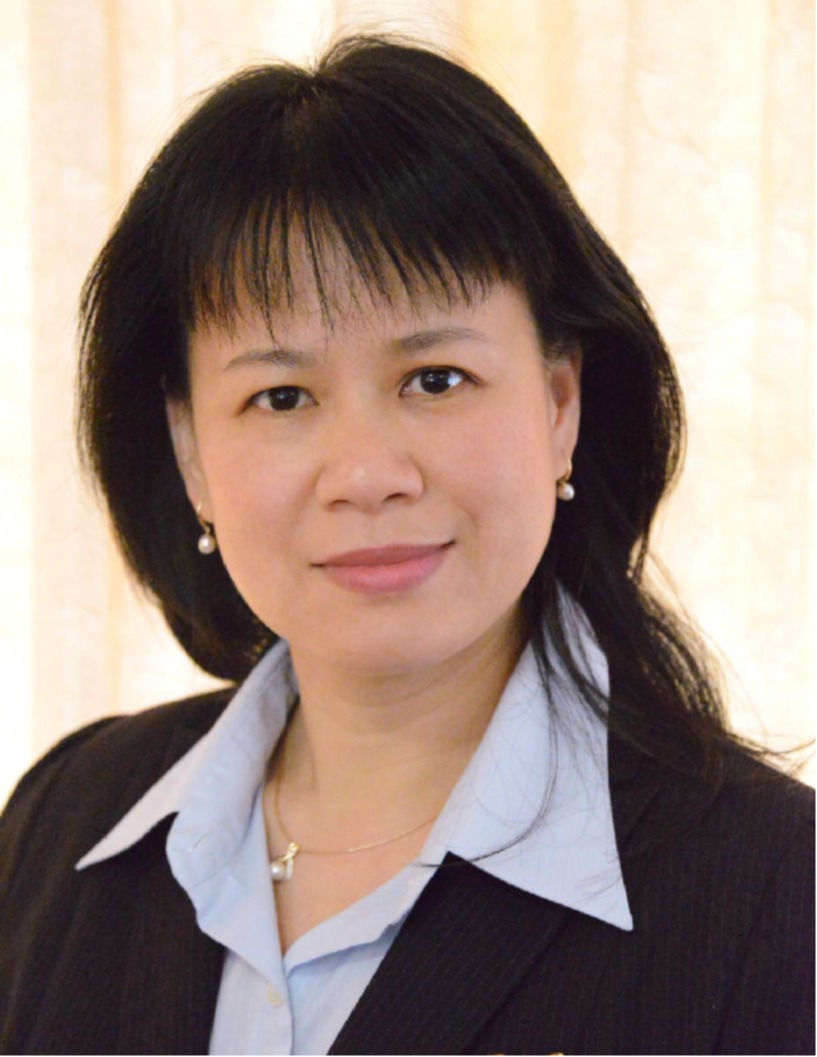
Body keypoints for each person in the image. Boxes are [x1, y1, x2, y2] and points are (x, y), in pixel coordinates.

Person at [0, 34, 812, 1057]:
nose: (366, 473)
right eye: (280, 396)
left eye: (434, 379)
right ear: (191, 451)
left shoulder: (777, 895)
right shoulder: (61, 821)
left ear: (558, 403)